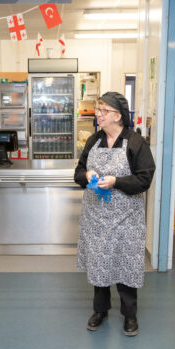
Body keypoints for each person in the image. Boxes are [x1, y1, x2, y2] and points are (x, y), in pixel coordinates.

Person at [74, 91, 155, 336]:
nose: (98, 114)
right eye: (98, 110)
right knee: (100, 263)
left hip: (125, 219)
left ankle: (130, 315)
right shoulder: (93, 141)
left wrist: (116, 181)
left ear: (118, 116)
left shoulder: (136, 143)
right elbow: (78, 171)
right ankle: (100, 310)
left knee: (125, 263)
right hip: (96, 216)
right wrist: (87, 175)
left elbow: (144, 178)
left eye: (103, 111)